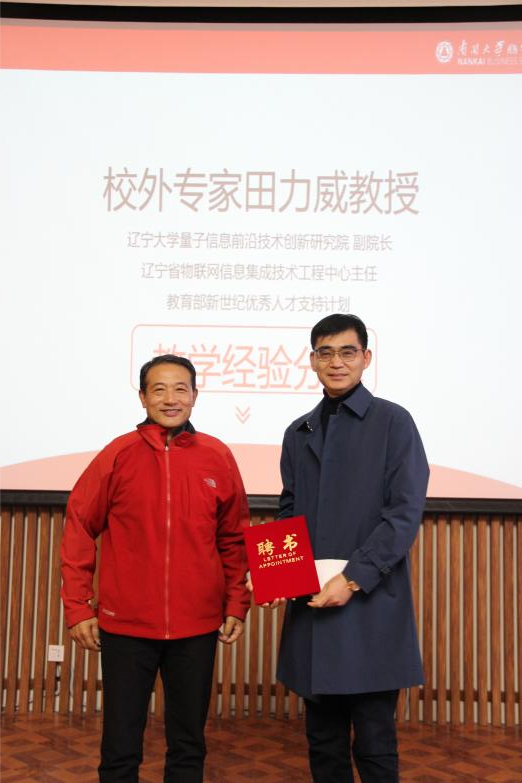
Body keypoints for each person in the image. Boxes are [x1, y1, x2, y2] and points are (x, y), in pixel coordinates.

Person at [61, 354, 250, 783]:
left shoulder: (217, 456)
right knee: (120, 747)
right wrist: (77, 607)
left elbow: (233, 537)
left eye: (181, 389)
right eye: (159, 389)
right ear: (143, 397)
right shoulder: (118, 454)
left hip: (197, 625)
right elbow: (79, 525)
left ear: (195, 396)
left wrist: (236, 602)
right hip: (126, 626)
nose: (170, 399)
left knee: (188, 745)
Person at [273, 313, 429, 783]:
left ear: (366, 357)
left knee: (376, 742)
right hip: (312, 603)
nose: (336, 362)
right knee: (323, 742)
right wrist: (277, 573)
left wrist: (354, 577)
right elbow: (288, 512)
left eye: (347, 352)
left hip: (370, 602)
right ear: (312, 361)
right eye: (325, 353)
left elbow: (403, 513)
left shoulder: (393, 422)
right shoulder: (298, 431)